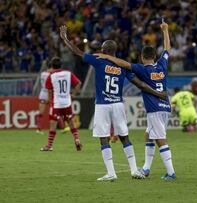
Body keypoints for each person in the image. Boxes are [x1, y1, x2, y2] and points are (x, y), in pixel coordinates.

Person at [60, 25, 168, 181]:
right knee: (124, 137)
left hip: (103, 105)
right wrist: (158, 93)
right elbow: (141, 84)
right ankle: (134, 170)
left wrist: (65, 38)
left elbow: (77, 52)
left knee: (103, 138)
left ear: (104, 50)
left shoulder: (98, 60)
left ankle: (111, 173)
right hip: (118, 104)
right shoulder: (122, 66)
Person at [95, 19, 176, 180]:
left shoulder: (142, 69)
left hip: (155, 109)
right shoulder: (161, 65)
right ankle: (146, 168)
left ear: (141, 56)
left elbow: (124, 64)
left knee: (161, 139)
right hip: (165, 107)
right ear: (155, 56)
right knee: (148, 135)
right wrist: (165, 30)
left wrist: (107, 57)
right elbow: (167, 48)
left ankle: (171, 172)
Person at [40, 57, 82, 151]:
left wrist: (50, 102)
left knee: (53, 125)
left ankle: (49, 145)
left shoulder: (51, 76)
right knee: (71, 122)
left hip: (57, 103)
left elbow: (50, 92)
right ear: (61, 65)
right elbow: (79, 83)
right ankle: (77, 140)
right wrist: (74, 94)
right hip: (67, 102)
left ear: (52, 66)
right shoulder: (68, 73)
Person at [36, 61, 70, 135]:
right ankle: (63, 127)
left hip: (44, 93)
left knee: (53, 111)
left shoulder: (43, 74)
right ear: (51, 67)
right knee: (53, 111)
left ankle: (39, 129)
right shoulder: (51, 75)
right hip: (48, 93)